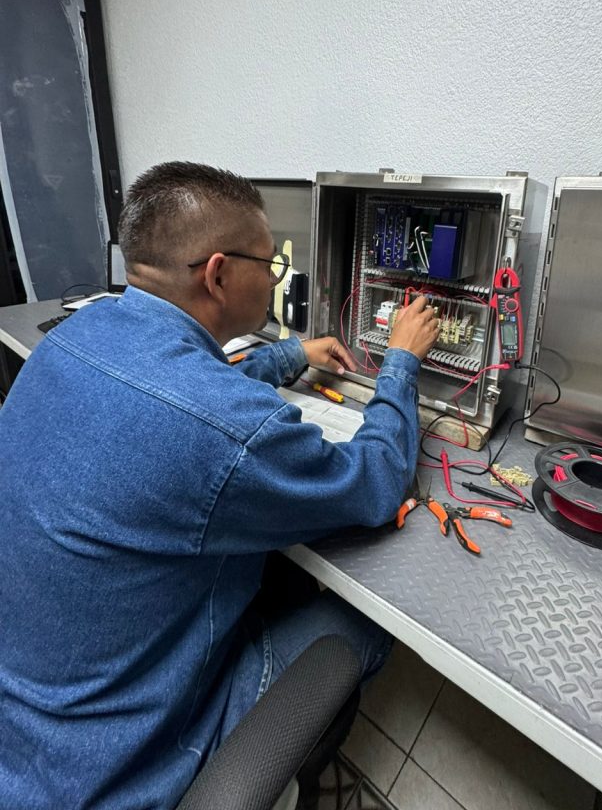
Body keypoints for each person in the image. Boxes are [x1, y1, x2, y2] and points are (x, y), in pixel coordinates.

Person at [0, 162, 440, 810]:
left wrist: (290, 354)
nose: (276, 277)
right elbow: (375, 482)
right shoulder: (225, 433)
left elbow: (187, 386)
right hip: (117, 776)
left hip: (26, 734)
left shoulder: (72, 338)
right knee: (368, 617)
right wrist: (400, 363)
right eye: (271, 265)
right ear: (219, 274)